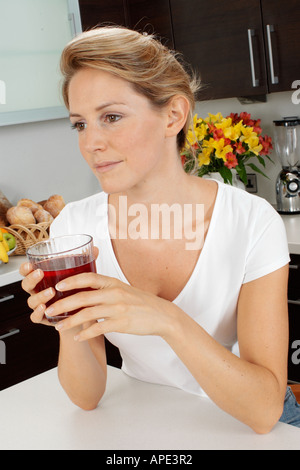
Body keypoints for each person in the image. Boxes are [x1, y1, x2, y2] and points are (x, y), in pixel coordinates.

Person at [20, 26, 300, 433]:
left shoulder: (251, 222)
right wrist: (69, 321)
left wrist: (166, 319)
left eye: (111, 117)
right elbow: (86, 396)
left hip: (244, 422)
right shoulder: (76, 227)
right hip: (148, 417)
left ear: (173, 115)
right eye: (79, 124)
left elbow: (262, 411)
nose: (91, 143)